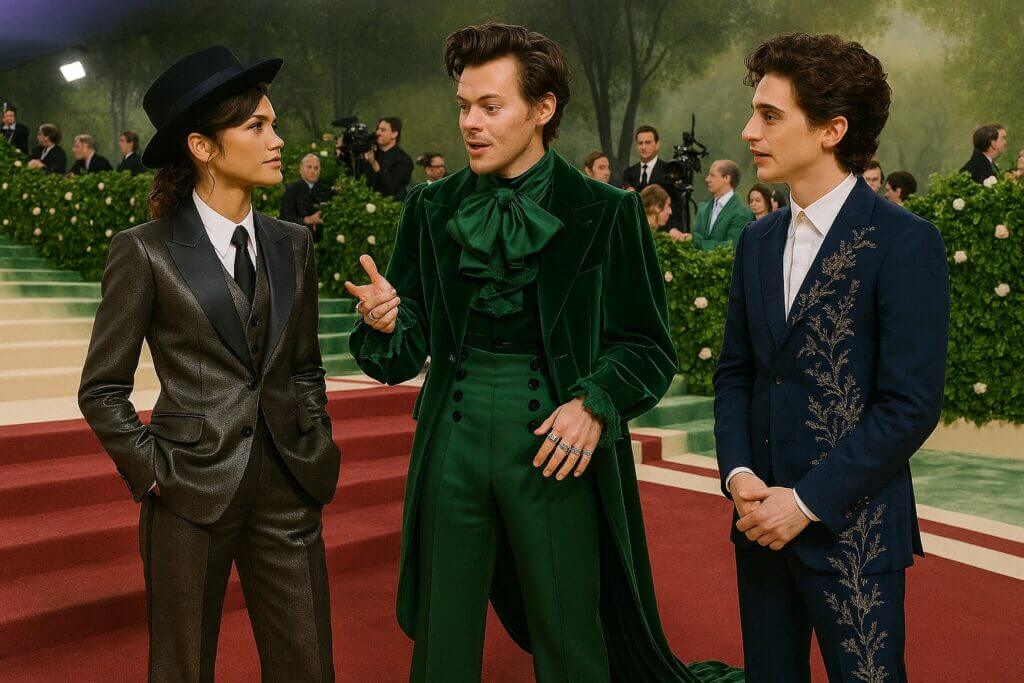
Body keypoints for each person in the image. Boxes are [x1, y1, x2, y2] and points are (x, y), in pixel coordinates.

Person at [345, 22, 738, 683]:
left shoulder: (606, 212)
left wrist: (595, 403)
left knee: (569, 631)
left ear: (542, 108)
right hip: (450, 440)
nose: (470, 123)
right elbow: (401, 355)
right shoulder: (429, 208)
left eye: (490, 106)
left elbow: (646, 345)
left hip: (557, 447)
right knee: (442, 635)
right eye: (463, 106)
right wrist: (385, 322)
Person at [78, 46, 339, 682]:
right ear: (203, 146)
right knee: (183, 667)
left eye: (274, 124)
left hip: (289, 485)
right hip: (188, 490)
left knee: (308, 664)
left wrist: (312, 434)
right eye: (257, 126)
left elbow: (305, 366)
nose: (278, 140)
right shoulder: (144, 251)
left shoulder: (294, 243)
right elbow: (102, 388)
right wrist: (153, 471)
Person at [718, 32, 949, 682]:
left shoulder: (904, 241)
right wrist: (738, 473)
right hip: (758, 528)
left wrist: (805, 502)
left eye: (770, 116)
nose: (749, 132)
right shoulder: (757, 240)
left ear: (831, 129)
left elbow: (910, 405)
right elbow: (736, 372)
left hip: (855, 537)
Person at [692, 159, 754, 252]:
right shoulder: (703, 209)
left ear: (726, 178)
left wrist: (698, 242)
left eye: (712, 175)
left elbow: (732, 247)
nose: (707, 179)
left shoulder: (742, 213)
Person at [279, 152, 333, 242]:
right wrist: (307, 220)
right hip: (297, 240)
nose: (313, 171)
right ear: (301, 169)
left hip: (322, 240)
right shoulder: (292, 190)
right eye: (309, 167)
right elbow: (284, 219)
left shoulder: (326, 190)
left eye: (316, 168)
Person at [363, 116, 414, 199]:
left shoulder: (404, 160)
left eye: (383, 130)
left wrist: (374, 164)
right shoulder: (373, 154)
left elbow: (391, 187)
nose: (378, 133)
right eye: (378, 129)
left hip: (391, 205)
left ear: (394, 134)